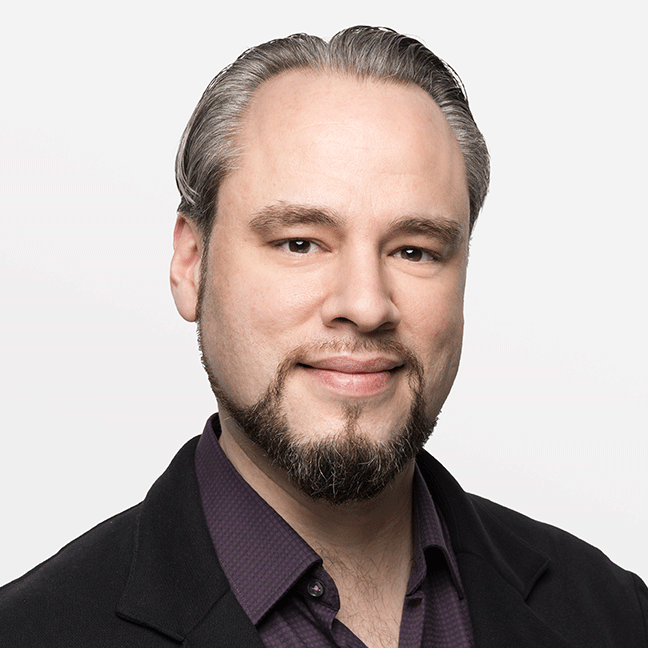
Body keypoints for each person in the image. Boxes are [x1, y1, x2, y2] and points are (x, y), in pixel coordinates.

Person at [0, 25, 646, 648]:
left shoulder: (613, 614)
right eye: (300, 243)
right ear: (192, 264)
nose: (365, 305)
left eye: (415, 250)